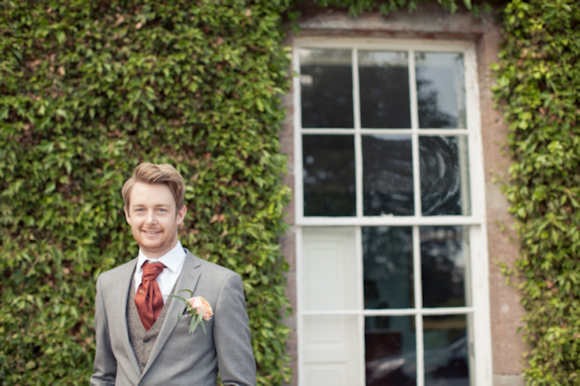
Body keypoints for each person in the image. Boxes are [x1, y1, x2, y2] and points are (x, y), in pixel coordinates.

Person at [90, 162, 256, 385]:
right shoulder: (108, 284)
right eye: (140, 209)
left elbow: (239, 380)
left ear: (180, 214)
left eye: (161, 209)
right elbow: (103, 376)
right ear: (128, 215)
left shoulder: (221, 284)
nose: (150, 220)